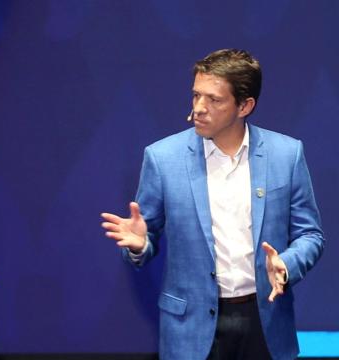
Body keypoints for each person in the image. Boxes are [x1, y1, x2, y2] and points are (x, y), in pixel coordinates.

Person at [101, 49, 324, 360]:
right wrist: (140, 244)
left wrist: (287, 263)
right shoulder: (163, 158)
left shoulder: (286, 154)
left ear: (245, 105)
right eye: (195, 96)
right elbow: (145, 240)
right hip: (190, 329)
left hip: (265, 321)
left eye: (213, 100)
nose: (198, 109)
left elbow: (311, 235)